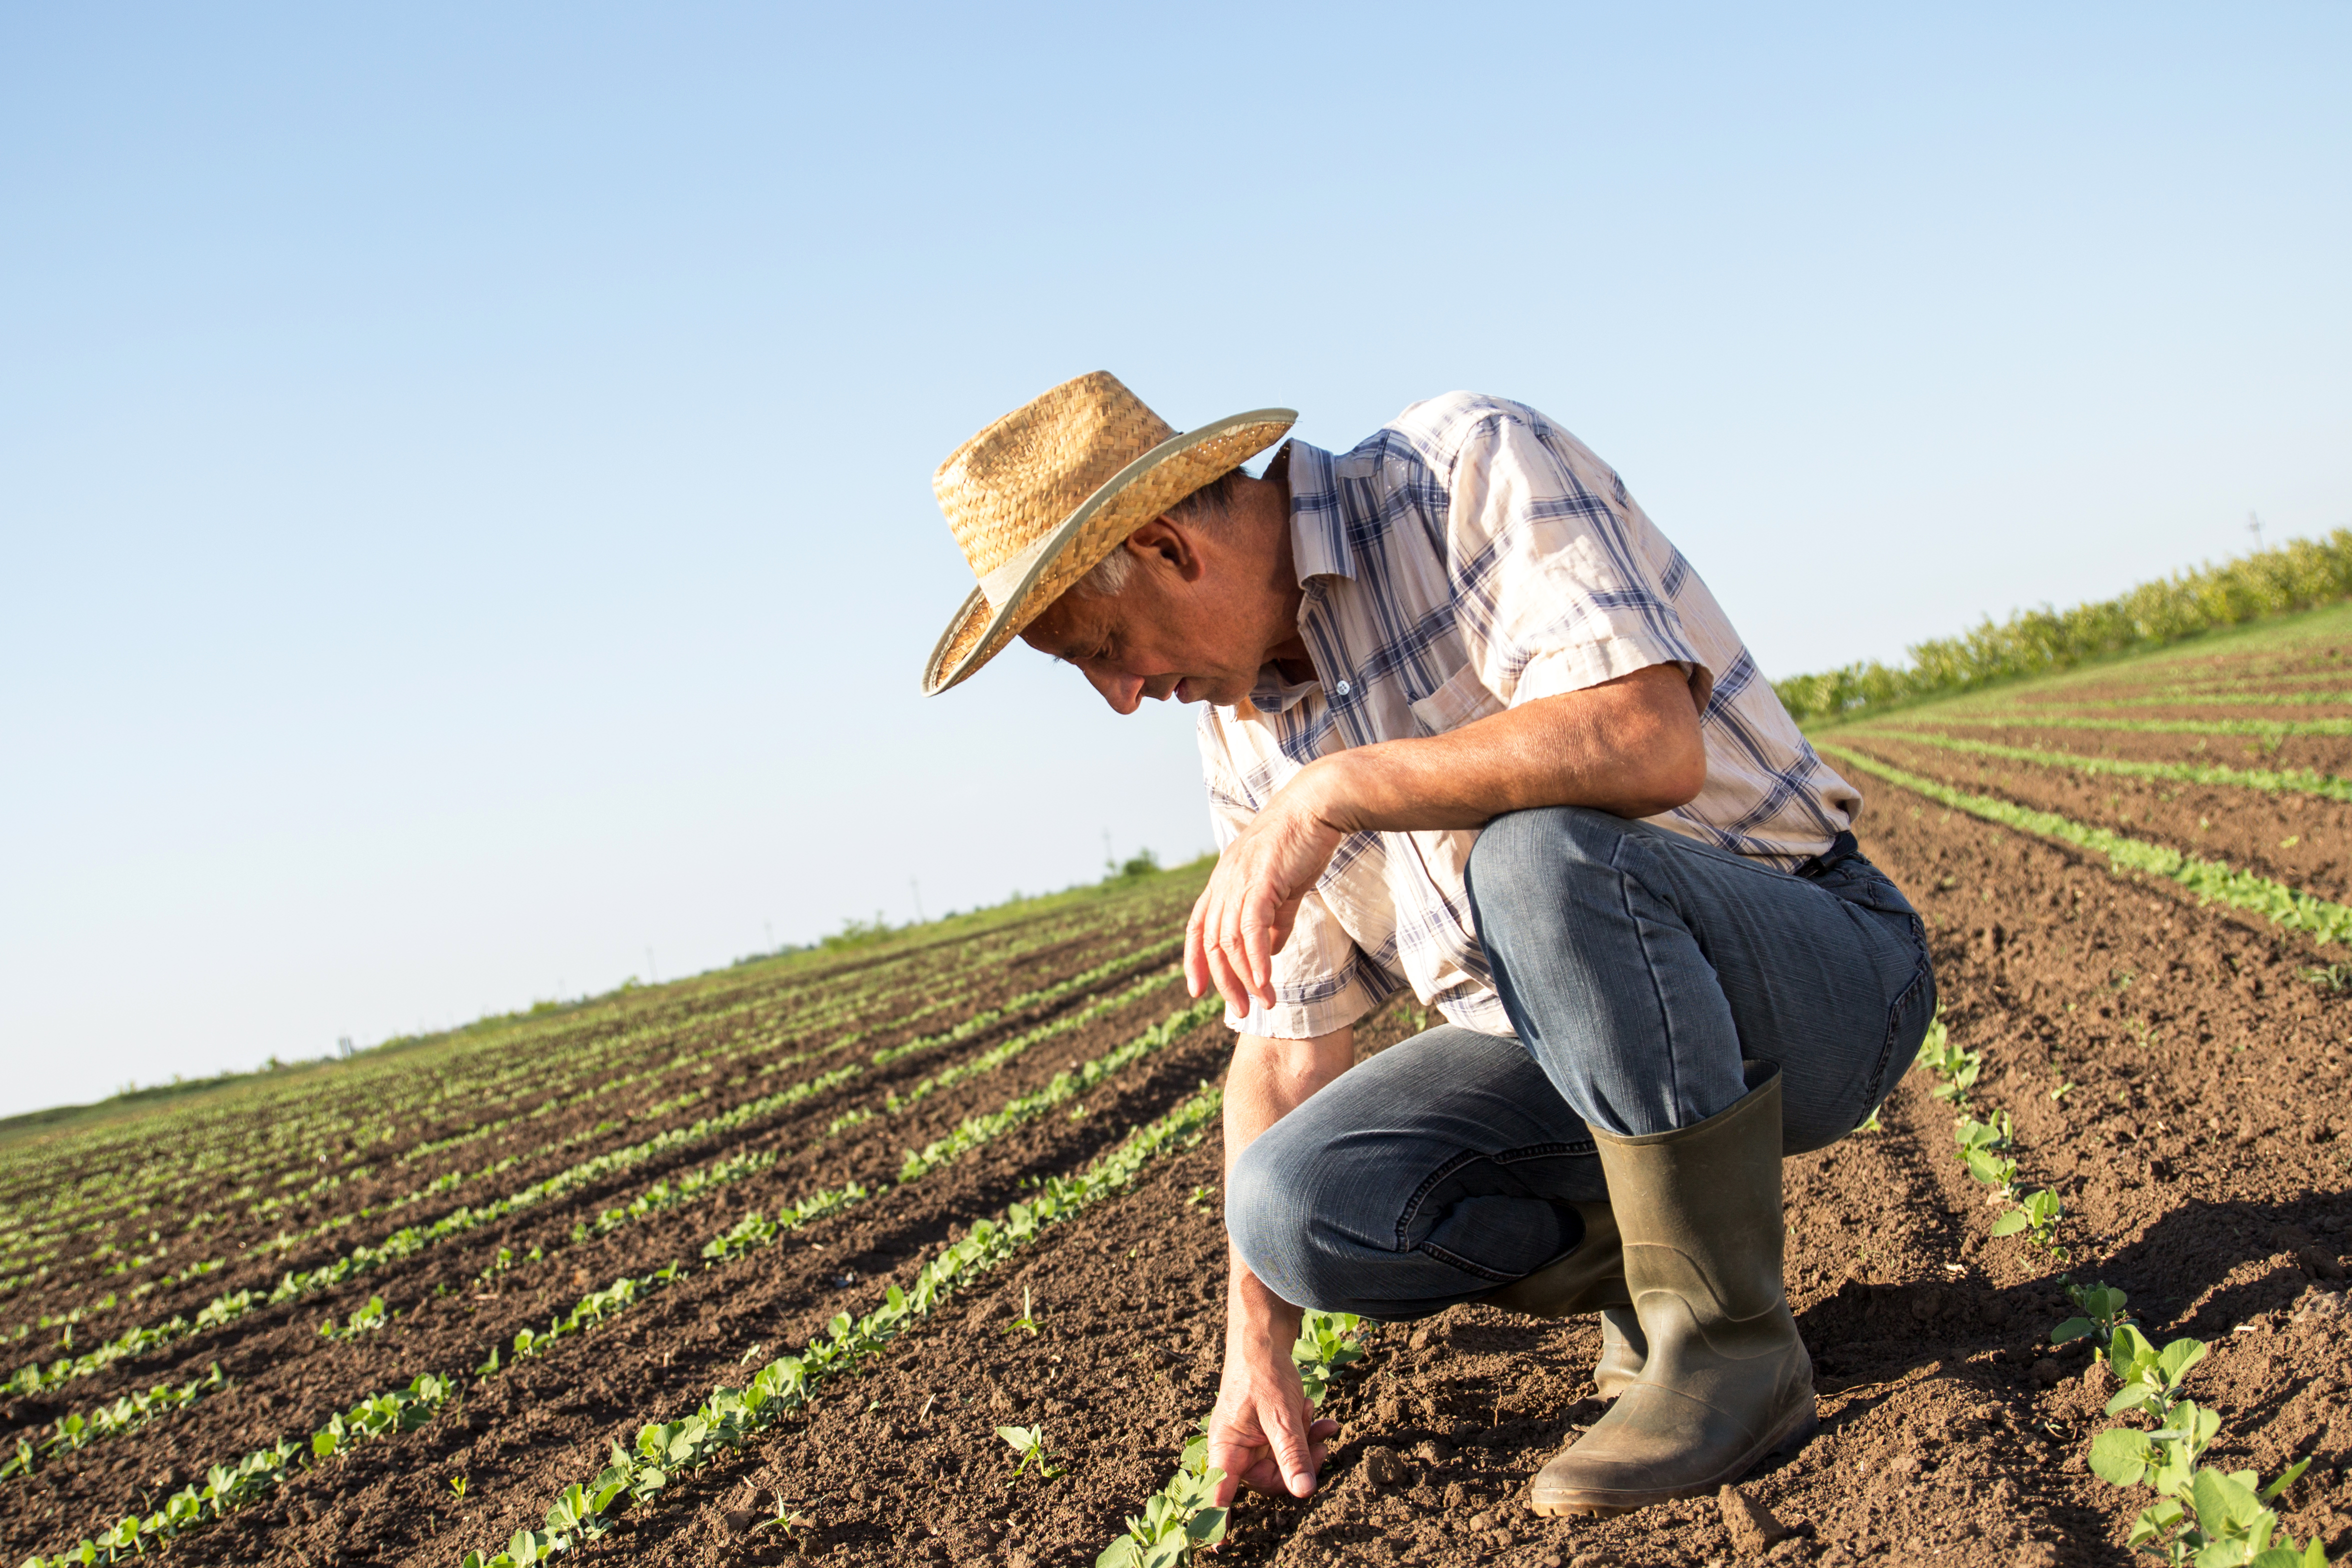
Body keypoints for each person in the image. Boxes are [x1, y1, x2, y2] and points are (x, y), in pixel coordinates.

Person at [920, 371, 1935, 1518]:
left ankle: (1729, 1342)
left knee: (1535, 853)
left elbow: (1647, 738)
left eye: (1102, 646)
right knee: (1290, 1199)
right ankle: (1659, 1277)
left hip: (1821, 972)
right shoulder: (1239, 731)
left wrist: (1337, 791)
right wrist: (1253, 1350)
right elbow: (1284, 1039)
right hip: (1568, 1053)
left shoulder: (1459, 473)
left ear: (1166, 547)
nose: (1119, 694)